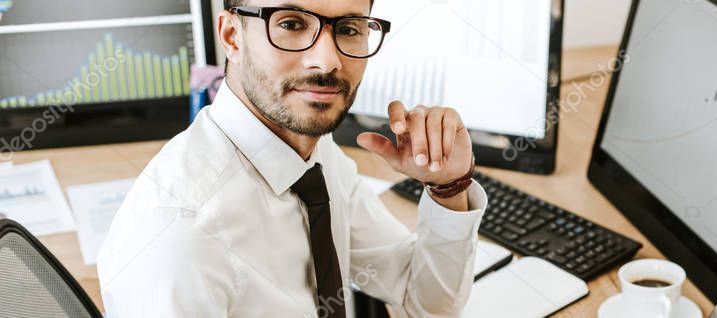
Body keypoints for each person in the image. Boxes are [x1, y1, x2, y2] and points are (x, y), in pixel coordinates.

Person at [97, 0, 487, 317]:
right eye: (291, 23)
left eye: (349, 29)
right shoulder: (180, 236)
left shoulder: (314, 151)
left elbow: (426, 302)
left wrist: (447, 187)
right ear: (232, 36)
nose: (326, 61)